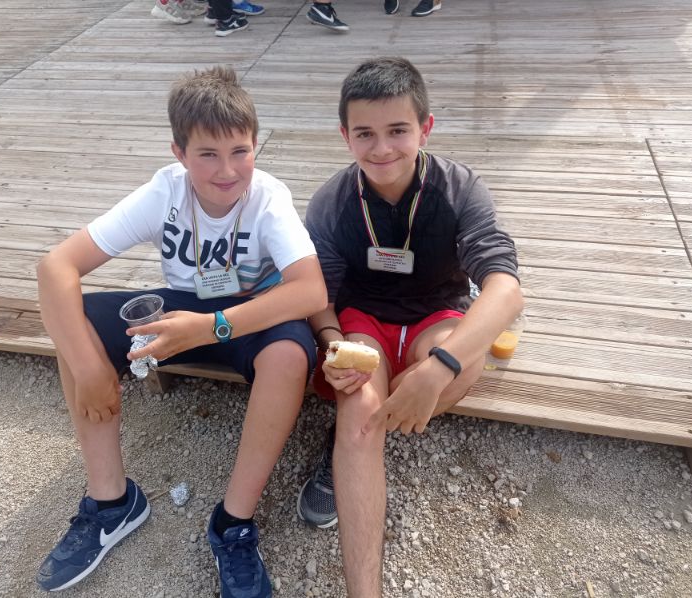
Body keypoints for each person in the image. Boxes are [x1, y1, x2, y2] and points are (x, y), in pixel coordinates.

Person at [35, 66, 327, 597]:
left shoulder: (268, 198)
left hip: (247, 315)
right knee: (77, 324)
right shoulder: (164, 191)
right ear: (179, 153)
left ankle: (233, 524)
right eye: (207, 154)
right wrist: (90, 368)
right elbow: (55, 267)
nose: (227, 170)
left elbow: (310, 291)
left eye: (240, 151)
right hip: (185, 311)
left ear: (255, 145)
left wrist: (211, 326)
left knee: (290, 353)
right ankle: (111, 501)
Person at [298, 57, 522, 597]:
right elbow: (318, 295)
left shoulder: (460, 187)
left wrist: (438, 369)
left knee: (458, 365)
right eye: (365, 134)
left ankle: (360, 439)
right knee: (359, 413)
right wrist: (331, 342)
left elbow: (506, 288)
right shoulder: (331, 201)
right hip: (364, 319)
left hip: (437, 314)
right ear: (345, 136)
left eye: (398, 130)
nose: (382, 149)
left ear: (426, 127)